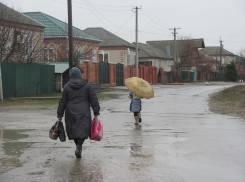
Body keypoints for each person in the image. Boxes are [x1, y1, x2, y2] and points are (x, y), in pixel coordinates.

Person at [57, 67, 100, 158]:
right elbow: (93, 98)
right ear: (79, 75)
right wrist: (96, 111)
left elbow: (63, 101)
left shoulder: (67, 86)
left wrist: (60, 114)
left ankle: (77, 146)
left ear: (70, 76)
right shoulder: (87, 85)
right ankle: (79, 145)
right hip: (84, 111)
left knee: (73, 129)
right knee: (83, 129)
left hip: (70, 111)